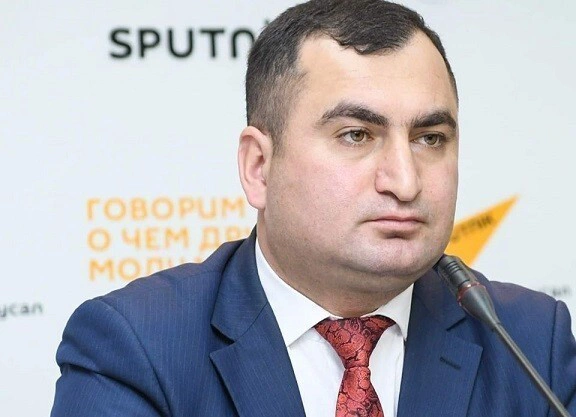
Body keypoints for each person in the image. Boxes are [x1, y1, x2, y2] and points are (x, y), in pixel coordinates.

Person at [51, 1, 576, 416]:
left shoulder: (529, 341)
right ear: (259, 167)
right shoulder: (138, 346)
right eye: (356, 135)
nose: (406, 181)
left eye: (430, 138)